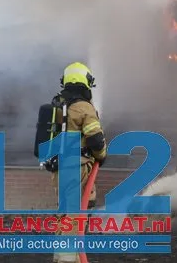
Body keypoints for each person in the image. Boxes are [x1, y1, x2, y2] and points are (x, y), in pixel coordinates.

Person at [52, 62, 107, 263]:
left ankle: (63, 257)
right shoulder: (84, 108)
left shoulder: (58, 105)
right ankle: (69, 259)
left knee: (66, 214)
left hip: (59, 169)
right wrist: (101, 155)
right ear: (86, 82)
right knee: (77, 215)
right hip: (78, 168)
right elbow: (95, 139)